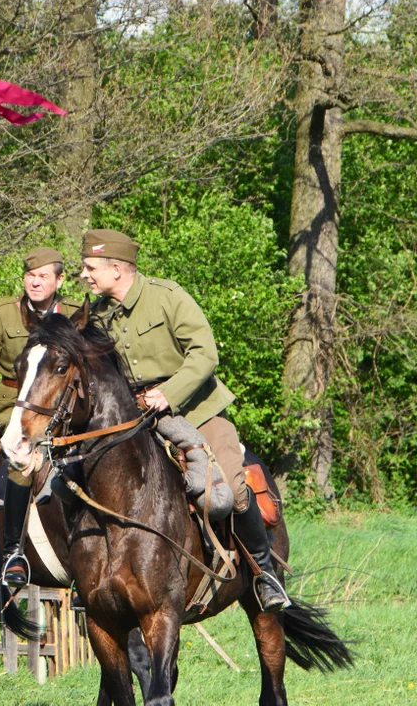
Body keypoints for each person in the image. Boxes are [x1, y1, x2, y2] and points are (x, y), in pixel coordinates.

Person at [79, 228, 291, 613]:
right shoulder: (98, 315)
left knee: (231, 487)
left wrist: (168, 393)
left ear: (116, 268)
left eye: (91, 267)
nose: (84, 275)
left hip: (195, 408)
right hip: (135, 418)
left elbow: (205, 354)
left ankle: (265, 574)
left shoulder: (167, 296)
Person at [0, 246, 81, 588]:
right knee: (20, 460)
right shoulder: (1, 313)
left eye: (43, 276)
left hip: (64, 407)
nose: (35, 282)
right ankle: (13, 551)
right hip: (17, 407)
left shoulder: (75, 314)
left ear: (59, 280)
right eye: (30, 275)